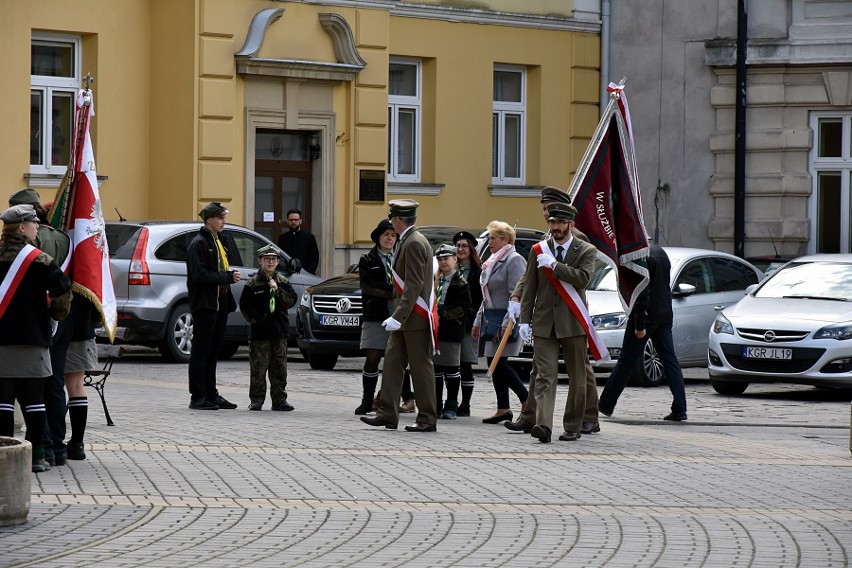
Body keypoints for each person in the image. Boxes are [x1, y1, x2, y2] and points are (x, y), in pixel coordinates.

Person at [505, 186, 601, 436]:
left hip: (572, 315)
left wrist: (557, 266)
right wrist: (519, 301)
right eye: (549, 216)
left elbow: (584, 278)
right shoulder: (541, 247)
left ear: (569, 221)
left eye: (558, 219)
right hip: (546, 320)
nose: (553, 224)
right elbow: (531, 278)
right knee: (542, 372)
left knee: (579, 374)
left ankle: (581, 421)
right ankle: (540, 423)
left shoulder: (582, 244)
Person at [0, 204, 72, 472]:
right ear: (21, 228)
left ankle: (4, 457)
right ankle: (37, 456)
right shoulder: (40, 259)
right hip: (33, 339)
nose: (36, 227)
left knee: (3, 401)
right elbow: (63, 292)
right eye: (33, 223)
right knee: (35, 400)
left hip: (1, 341)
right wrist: (55, 316)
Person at [361, 199, 438, 432]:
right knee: (393, 364)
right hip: (405, 316)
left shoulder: (414, 243)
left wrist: (399, 315)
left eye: (392, 218)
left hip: (414, 316)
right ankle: (387, 412)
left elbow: (413, 285)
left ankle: (426, 417)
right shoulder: (407, 240)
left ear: (397, 219)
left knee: (420, 367)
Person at [598, 244, 688, 421]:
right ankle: (680, 407)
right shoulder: (660, 252)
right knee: (670, 361)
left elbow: (641, 292)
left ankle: (606, 404)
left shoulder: (639, 256)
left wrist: (639, 325)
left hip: (646, 316)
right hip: (664, 314)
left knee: (625, 361)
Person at [186, 202, 240, 411]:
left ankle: (211, 393)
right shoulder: (199, 243)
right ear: (209, 220)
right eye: (220, 218)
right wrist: (226, 277)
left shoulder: (219, 241)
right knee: (201, 351)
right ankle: (197, 396)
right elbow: (200, 275)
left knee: (213, 350)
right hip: (205, 304)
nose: (223, 222)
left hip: (220, 303)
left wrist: (227, 278)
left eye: (223, 218)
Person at [472, 221, 528, 424]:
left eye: (493, 238)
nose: (490, 242)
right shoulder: (493, 260)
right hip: (491, 317)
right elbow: (486, 295)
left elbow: (516, 293)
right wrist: (478, 321)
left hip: (505, 318)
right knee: (493, 362)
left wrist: (508, 322)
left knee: (500, 364)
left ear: (506, 239)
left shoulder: (514, 260)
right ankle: (503, 407)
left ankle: (527, 400)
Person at [239, 244, 298, 411]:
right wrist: (258, 320)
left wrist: (277, 290)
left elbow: (291, 301)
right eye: (267, 259)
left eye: (273, 259)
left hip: (279, 331)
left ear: (278, 262)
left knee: (279, 368)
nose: (270, 262)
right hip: (260, 333)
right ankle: (257, 399)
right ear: (260, 261)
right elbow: (245, 306)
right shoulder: (252, 283)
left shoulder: (283, 282)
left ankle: (280, 400)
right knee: (258, 368)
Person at [355, 219, 397, 414]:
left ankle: (386, 399)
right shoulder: (367, 259)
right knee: (372, 358)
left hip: (397, 313)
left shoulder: (401, 256)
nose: (389, 238)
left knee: (396, 359)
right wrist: (391, 291)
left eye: (393, 235)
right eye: (386, 234)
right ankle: (366, 400)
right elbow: (367, 286)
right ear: (378, 238)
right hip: (375, 313)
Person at [432, 244, 470, 419]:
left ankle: (452, 403)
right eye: (440, 259)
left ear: (455, 259)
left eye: (446, 258)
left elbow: (463, 308)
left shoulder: (460, 282)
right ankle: (436, 403)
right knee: (436, 369)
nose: (443, 262)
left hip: (452, 329)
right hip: (436, 331)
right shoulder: (435, 280)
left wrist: (442, 313)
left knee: (452, 369)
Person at [62, 294, 100, 460]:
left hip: (53, 326)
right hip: (81, 326)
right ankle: (77, 444)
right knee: (76, 385)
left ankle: (50, 441)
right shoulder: (88, 267)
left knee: (50, 387)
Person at [453, 230, 482, 417]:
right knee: (450, 364)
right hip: (451, 322)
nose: (461, 249)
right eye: (458, 246)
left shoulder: (478, 272)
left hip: (468, 321)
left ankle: (466, 404)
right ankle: (451, 401)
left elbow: (480, 299)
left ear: (471, 249)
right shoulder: (449, 268)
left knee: (465, 364)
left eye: (464, 246)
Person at [277, 208, 319, 275]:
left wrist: (308, 273)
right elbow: (280, 258)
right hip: (287, 275)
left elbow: (314, 258)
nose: (293, 222)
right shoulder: (282, 238)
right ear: (287, 221)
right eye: (291, 220)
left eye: (296, 220)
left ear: (300, 221)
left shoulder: (309, 237)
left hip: (306, 275)